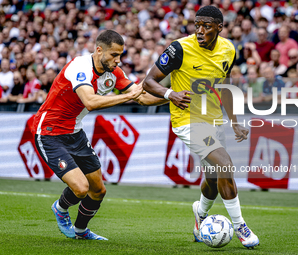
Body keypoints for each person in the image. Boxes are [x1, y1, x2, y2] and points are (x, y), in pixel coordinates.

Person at [32, 30, 166, 241]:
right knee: (81, 188)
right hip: (49, 132)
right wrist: (127, 97)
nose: (118, 60)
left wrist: (173, 96)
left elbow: (143, 98)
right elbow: (91, 102)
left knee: (98, 191)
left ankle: (80, 232)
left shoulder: (115, 73)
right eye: (114, 55)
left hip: (75, 132)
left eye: (120, 55)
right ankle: (60, 208)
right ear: (99, 50)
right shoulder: (80, 66)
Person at [143, 6, 259, 249]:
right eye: (197, 25)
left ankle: (201, 216)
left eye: (206, 26)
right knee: (226, 165)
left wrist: (234, 122)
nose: (200, 30)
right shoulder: (179, 48)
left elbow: (224, 86)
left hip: (213, 119)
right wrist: (170, 93)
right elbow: (149, 81)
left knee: (214, 177)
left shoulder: (228, 49)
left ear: (219, 27)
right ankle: (241, 227)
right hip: (187, 121)